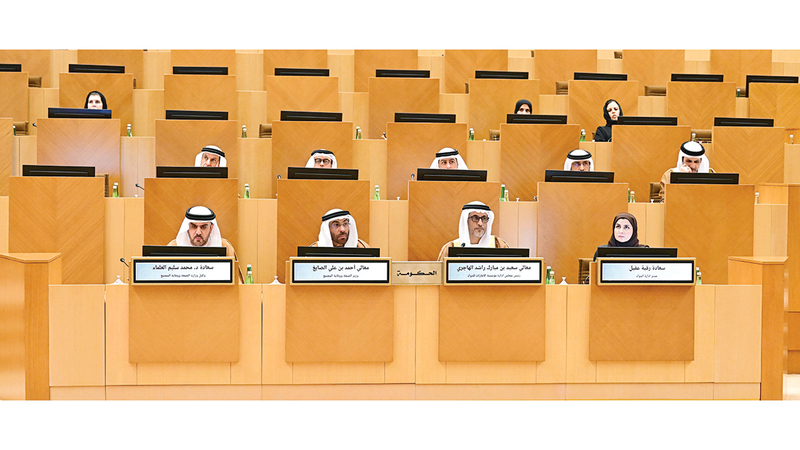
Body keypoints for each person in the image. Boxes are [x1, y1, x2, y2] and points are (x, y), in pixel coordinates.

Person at [168, 206, 243, 282]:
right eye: (194, 226)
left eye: (203, 227)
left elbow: (237, 283)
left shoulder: (224, 246)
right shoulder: (174, 246)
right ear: (187, 227)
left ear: (211, 228)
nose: (198, 232)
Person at [437, 201, 509, 261]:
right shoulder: (451, 248)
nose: (480, 223)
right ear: (466, 221)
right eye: (475, 218)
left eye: (484, 218)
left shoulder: (498, 245)